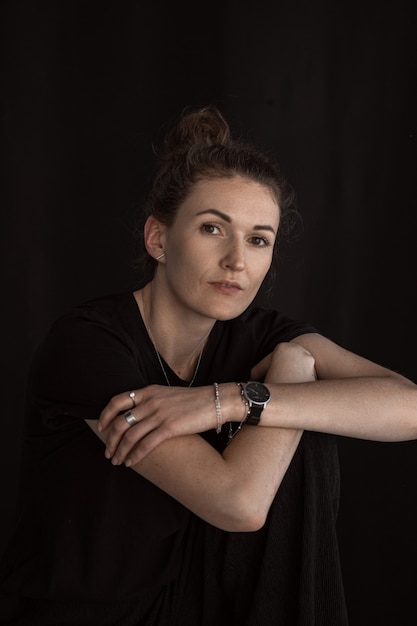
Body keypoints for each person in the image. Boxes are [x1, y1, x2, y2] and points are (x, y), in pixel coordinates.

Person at [1, 104, 416, 626]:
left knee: (305, 416)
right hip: (88, 614)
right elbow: (237, 504)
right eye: (213, 230)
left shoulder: (264, 335)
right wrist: (290, 377)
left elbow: (410, 406)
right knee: (301, 407)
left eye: (259, 240)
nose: (237, 261)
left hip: (199, 605)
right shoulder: (86, 344)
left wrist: (240, 396)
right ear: (158, 240)